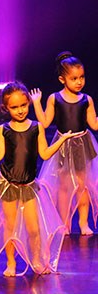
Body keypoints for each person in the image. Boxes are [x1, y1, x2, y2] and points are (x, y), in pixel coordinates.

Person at [0, 81, 75, 278]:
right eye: (14, 107)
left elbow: (44, 153)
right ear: (6, 108)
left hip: (29, 185)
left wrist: (62, 139)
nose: (20, 110)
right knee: (10, 226)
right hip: (9, 184)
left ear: (28, 103)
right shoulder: (4, 129)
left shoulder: (36, 128)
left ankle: (37, 259)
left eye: (23, 105)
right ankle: (11, 262)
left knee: (34, 228)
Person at [31, 51, 98, 235]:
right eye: (74, 78)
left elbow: (94, 124)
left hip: (82, 145)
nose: (79, 82)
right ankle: (65, 223)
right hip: (63, 144)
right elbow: (45, 122)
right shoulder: (55, 98)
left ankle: (83, 223)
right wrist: (36, 103)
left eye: (82, 77)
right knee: (64, 187)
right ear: (62, 79)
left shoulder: (86, 100)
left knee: (82, 186)